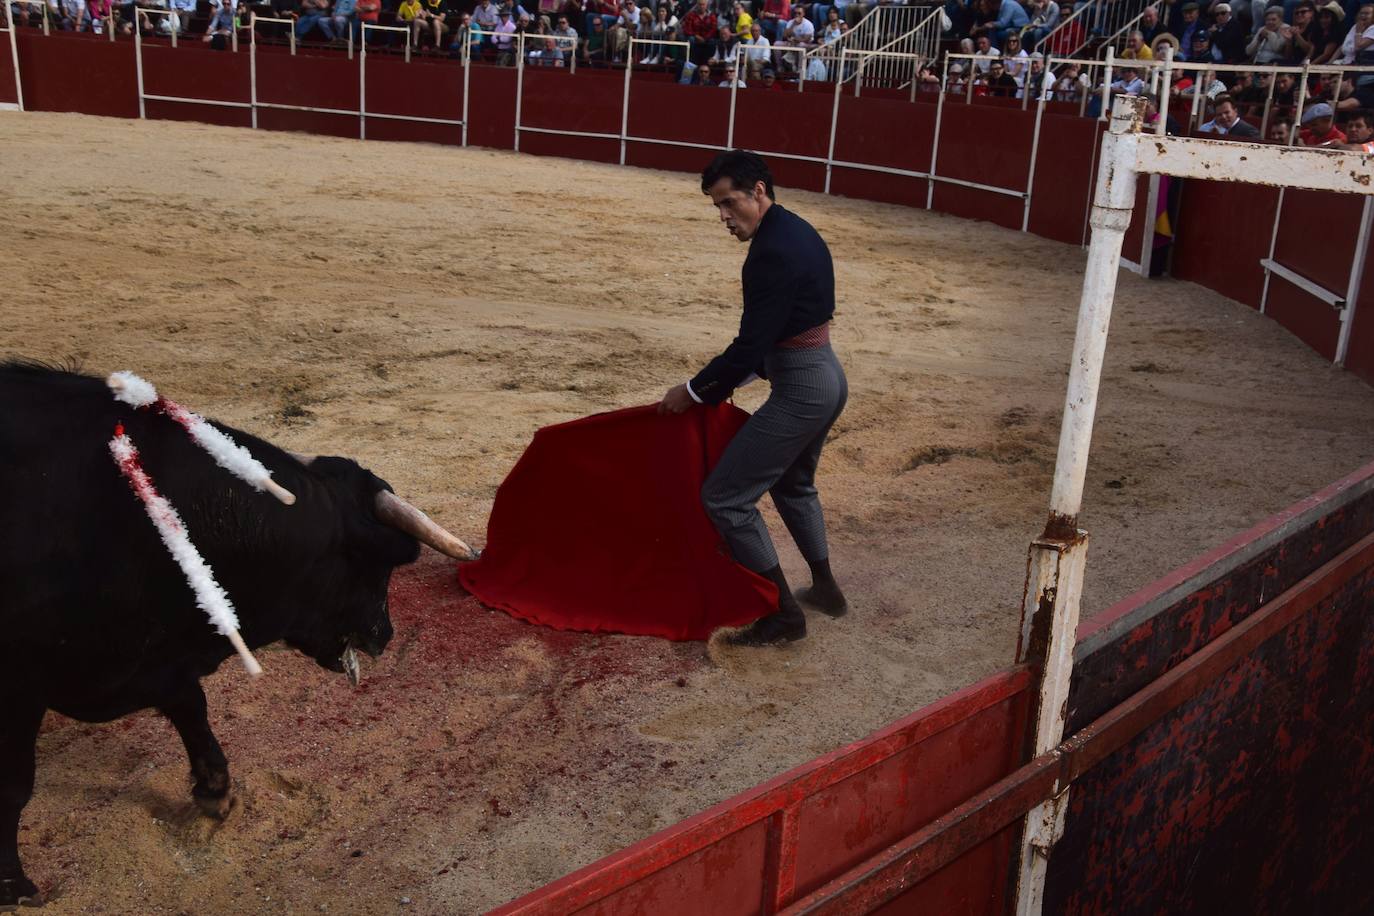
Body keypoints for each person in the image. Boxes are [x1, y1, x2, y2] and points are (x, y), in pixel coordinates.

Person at [658, 151, 848, 647]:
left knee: (725, 497)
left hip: (803, 388)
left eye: (729, 203)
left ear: (758, 190)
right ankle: (826, 589)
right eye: (716, 207)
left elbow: (752, 342)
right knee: (793, 483)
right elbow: (783, 330)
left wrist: (696, 391)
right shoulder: (795, 229)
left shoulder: (770, 253)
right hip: (825, 373)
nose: (723, 217)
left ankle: (785, 615)